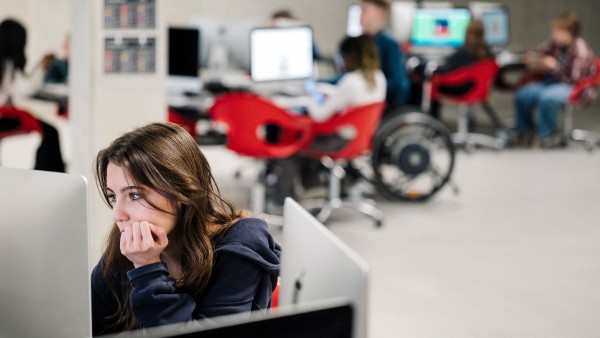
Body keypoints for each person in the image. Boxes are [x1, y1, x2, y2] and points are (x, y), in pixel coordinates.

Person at [91, 122, 281, 335]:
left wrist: (147, 269)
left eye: (134, 195)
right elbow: (89, 324)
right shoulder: (127, 243)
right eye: (113, 196)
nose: (118, 214)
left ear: (181, 191)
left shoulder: (241, 244)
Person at [266, 35, 386, 212]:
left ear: (350, 56)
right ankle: (312, 187)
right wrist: (331, 95)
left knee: (291, 144)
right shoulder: (378, 78)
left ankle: (280, 203)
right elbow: (350, 101)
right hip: (360, 140)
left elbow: (320, 115)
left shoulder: (351, 81)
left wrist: (310, 99)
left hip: (338, 142)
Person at [515, 11, 596, 148]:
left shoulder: (580, 50)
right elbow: (542, 51)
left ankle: (545, 136)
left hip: (573, 87)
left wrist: (554, 67)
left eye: (559, 32)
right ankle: (524, 133)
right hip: (552, 82)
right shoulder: (556, 43)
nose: (555, 35)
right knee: (523, 94)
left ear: (570, 32)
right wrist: (536, 58)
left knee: (547, 97)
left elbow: (574, 80)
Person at [0, 18, 65, 172]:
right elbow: (26, 89)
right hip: (4, 117)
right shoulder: (6, 64)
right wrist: (42, 67)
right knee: (50, 132)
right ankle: (52, 175)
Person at [428, 19, 495, 119]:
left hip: (460, 89)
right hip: (476, 89)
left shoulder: (464, 52)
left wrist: (431, 67)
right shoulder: (488, 53)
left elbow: (446, 69)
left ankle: (432, 120)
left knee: (431, 80)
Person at [359, 0, 410, 113]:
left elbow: (398, 83)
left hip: (386, 105)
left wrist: (368, 88)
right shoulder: (366, 42)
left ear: (379, 13)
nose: (360, 16)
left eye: (364, 11)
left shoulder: (389, 44)